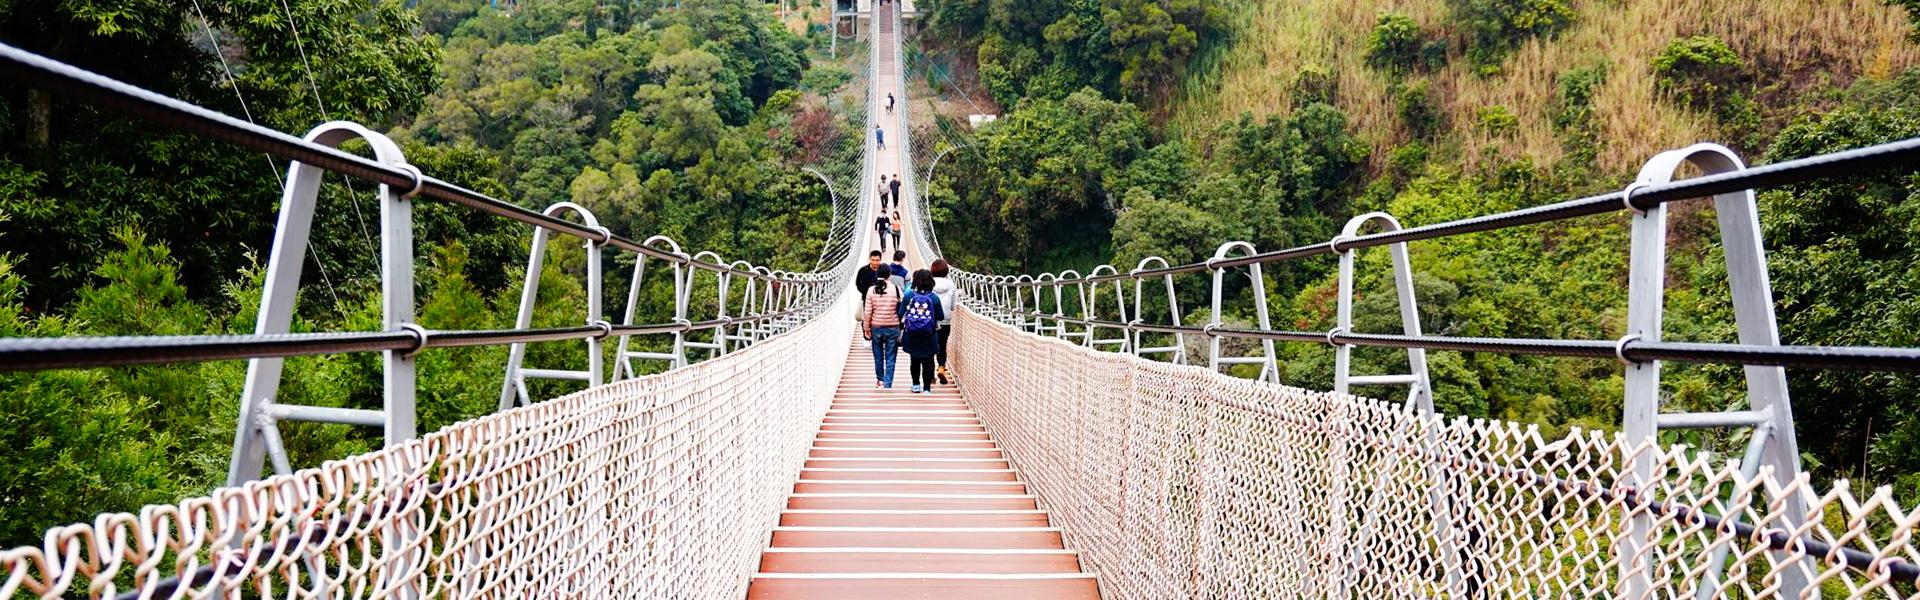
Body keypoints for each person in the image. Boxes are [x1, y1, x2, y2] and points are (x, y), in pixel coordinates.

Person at [899, 269, 947, 393]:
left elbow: (900, 314)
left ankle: (915, 385)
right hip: (929, 334)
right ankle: (927, 389)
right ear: (931, 281)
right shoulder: (934, 298)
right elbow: (941, 316)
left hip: (911, 334)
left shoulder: (909, 295)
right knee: (928, 360)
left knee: (914, 360)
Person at [863, 274, 903, 388]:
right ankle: (888, 383)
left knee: (878, 355)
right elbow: (903, 305)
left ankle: (880, 380)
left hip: (876, 327)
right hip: (893, 326)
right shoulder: (896, 288)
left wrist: (866, 328)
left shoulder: (871, 290)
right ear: (889, 275)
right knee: (891, 356)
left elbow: (867, 312)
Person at [930, 259, 956, 384]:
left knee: (929, 346)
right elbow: (952, 306)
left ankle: (929, 375)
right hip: (945, 320)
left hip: (930, 321)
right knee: (942, 346)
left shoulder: (928, 283)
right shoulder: (951, 284)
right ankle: (941, 368)